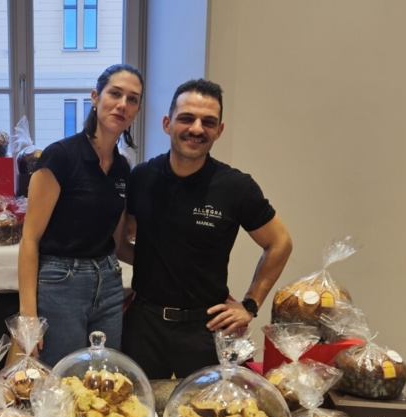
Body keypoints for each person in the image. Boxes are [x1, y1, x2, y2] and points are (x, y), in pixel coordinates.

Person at [116, 78, 292, 379]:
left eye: (208, 122)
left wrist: (250, 305)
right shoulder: (142, 177)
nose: (196, 129)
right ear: (167, 123)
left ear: (218, 130)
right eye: (186, 118)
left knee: (202, 408)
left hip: (205, 328)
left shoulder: (236, 187)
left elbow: (280, 243)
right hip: (144, 325)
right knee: (138, 406)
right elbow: (122, 241)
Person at [18, 64, 144, 367]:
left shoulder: (122, 167)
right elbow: (30, 240)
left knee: (105, 375)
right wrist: (28, 316)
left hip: (109, 282)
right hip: (61, 283)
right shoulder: (61, 156)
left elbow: (119, 244)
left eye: (132, 99)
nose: (122, 104)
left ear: (137, 110)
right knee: (63, 379)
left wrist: (165, 267)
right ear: (95, 97)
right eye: (115, 94)